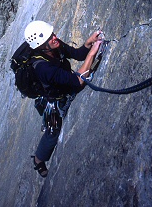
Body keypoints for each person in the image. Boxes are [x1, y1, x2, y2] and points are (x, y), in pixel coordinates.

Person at [24, 20, 103, 178]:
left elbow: (77, 54)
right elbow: (78, 80)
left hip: (65, 83)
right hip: (53, 99)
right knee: (52, 133)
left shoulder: (54, 44)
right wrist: (93, 54)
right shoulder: (42, 68)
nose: (55, 37)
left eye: (52, 34)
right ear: (42, 46)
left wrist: (88, 43)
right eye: (50, 38)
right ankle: (39, 160)